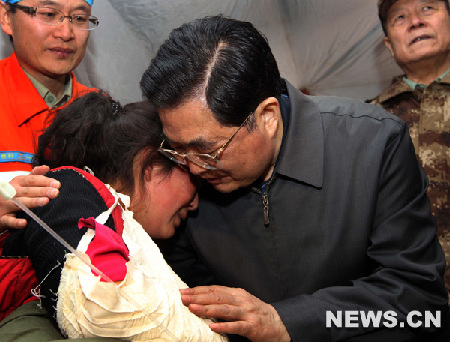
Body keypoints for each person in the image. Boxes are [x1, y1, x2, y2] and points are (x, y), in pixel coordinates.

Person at [139, 15, 449, 341]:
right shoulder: (187, 178)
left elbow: (417, 300)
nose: (194, 168)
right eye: (177, 150)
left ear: (267, 117)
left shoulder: (374, 145)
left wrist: (290, 321)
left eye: (208, 152)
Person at [1, 90, 228, 342]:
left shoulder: (128, 232)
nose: (195, 202)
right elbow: (100, 303)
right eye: (191, 173)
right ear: (149, 166)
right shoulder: (66, 192)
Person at [369, 0, 450, 299]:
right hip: (408, 306)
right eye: (400, 17)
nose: (415, 21)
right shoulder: (367, 122)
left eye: (428, 8)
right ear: (389, 45)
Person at [0, 0, 98, 182]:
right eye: (48, 14)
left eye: (79, 18)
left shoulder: (101, 114)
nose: (66, 33)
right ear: (6, 17)